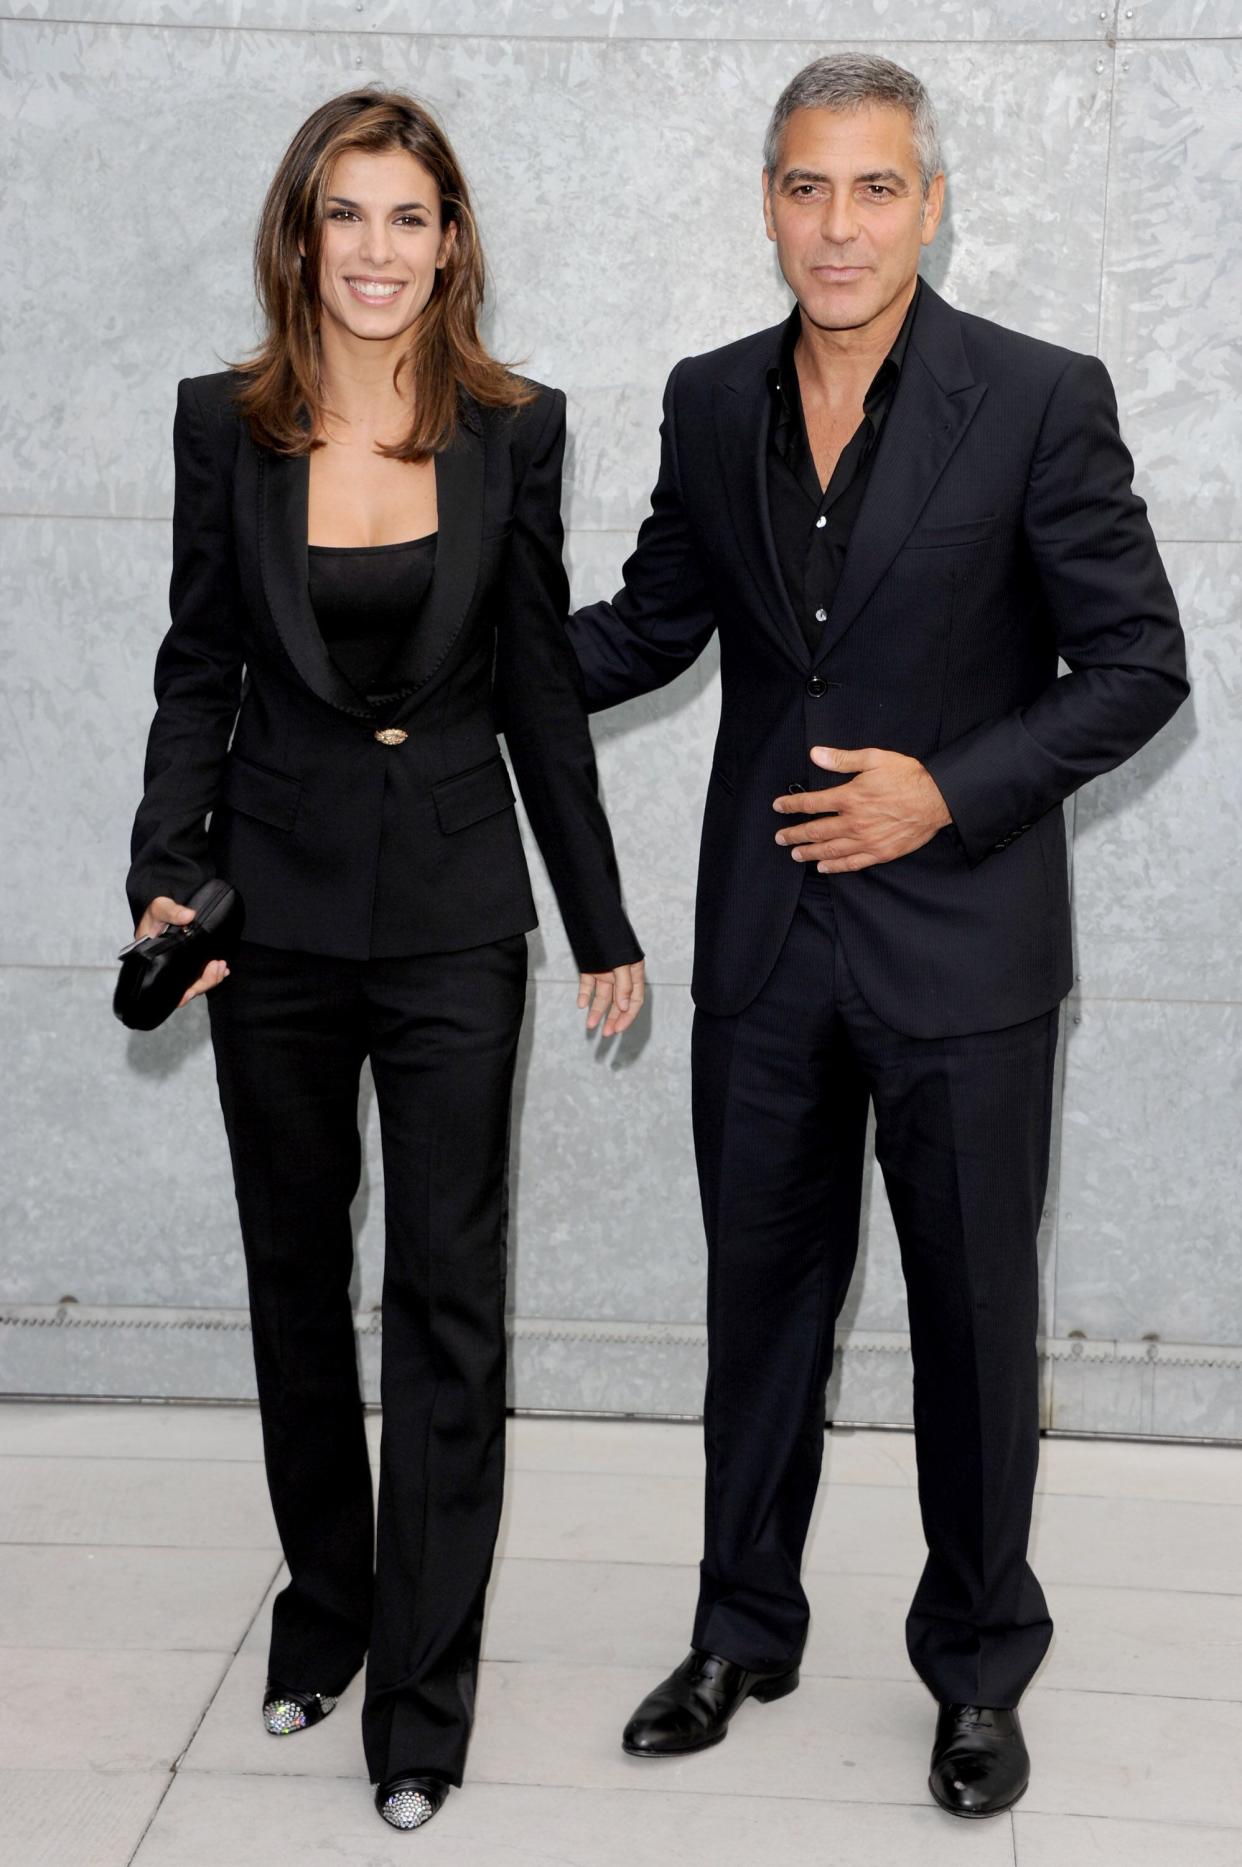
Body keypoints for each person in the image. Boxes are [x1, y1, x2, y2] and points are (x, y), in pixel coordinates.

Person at [568, 53, 1187, 1818]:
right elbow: (647, 627)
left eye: (873, 188)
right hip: (765, 945)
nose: (836, 226)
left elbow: (1138, 666)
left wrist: (949, 790)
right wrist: (442, 645)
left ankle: (979, 1665)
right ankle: (737, 1628)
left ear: (929, 201)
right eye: (803, 187)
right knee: (757, 1308)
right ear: (766, 200)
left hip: (965, 953)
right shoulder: (705, 402)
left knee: (972, 1322)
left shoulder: (1037, 397)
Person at [125, 87, 644, 1833]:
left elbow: (538, 686)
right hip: (264, 918)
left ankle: (423, 1688)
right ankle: (327, 1607)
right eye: (344, 215)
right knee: (294, 1282)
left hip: (448, 922)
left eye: (407, 216)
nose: (375, 250)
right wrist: (166, 878)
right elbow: (199, 664)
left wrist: (599, 919)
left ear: (451, 240)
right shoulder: (226, 424)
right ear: (301, 236)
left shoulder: (515, 426)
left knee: (444, 1302)